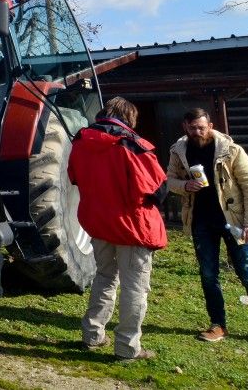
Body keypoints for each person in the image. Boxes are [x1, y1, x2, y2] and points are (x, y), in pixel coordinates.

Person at [68, 97, 168, 361]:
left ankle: (93, 334)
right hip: (132, 227)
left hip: (99, 223)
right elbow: (158, 190)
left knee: (104, 276)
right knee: (135, 287)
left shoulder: (80, 142)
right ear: (130, 117)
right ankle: (127, 347)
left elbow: (75, 178)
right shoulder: (132, 146)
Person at [166, 108, 248, 347]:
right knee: (208, 275)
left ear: (210, 125)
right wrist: (185, 186)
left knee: (247, 275)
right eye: (193, 128)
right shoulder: (179, 151)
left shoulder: (231, 150)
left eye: (202, 127)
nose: (198, 132)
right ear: (186, 126)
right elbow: (169, 180)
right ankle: (218, 324)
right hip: (201, 221)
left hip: (234, 221)